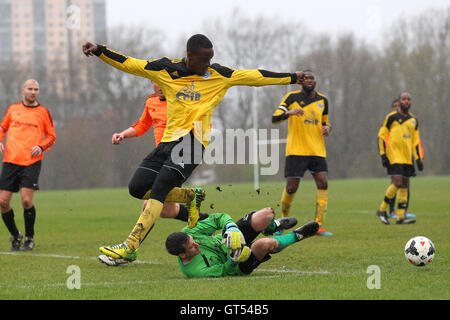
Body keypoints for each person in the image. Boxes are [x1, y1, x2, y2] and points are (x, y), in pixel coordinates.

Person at [82, 34, 306, 263]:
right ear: (189, 56)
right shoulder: (166, 69)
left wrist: (292, 77)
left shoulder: (219, 75)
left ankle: (130, 246)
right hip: (168, 142)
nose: (208, 64)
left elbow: (256, 76)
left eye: (211, 59)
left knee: (158, 191)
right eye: (204, 60)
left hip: (193, 143)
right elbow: (130, 63)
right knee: (137, 188)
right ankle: (190, 197)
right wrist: (100, 50)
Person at [99, 81, 208, 265]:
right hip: (161, 155)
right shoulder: (151, 101)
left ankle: (130, 250)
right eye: (154, 83)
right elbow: (142, 125)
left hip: (180, 154)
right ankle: (203, 214)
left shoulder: (183, 99)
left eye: (162, 83)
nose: (158, 87)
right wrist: (123, 134)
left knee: (153, 202)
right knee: (166, 208)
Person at [165, 207, 318, 278]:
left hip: (229, 239)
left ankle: (272, 226)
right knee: (263, 245)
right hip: (237, 264)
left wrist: (231, 227)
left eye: (194, 241)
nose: (196, 244)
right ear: (182, 255)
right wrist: (233, 260)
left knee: (266, 214)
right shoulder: (195, 271)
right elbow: (225, 272)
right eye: (192, 246)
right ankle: (298, 235)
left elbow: (218, 218)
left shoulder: (189, 231)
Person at [272, 70, 332, 236]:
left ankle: (318, 225)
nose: (309, 80)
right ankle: (283, 222)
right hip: (296, 150)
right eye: (305, 78)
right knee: (291, 187)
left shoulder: (323, 100)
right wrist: (289, 113)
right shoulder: (291, 98)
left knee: (323, 183)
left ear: (315, 80)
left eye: (311, 77)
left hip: (317, 150)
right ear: (301, 81)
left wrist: (328, 128)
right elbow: (274, 118)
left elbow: (326, 122)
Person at [0, 79, 56, 251]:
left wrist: (41, 147)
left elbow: (51, 136)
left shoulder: (43, 112)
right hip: (10, 161)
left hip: (31, 162)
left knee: (25, 201)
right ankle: (16, 235)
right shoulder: (13, 109)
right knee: (2, 202)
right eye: (30, 89)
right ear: (22, 90)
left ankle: (29, 238)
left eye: (36, 89)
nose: (33, 92)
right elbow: (2, 128)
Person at [377, 92, 423, 225]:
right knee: (397, 182)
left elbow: (415, 141)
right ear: (400, 101)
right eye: (404, 99)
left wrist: (418, 158)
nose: (406, 101)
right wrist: (383, 154)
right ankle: (382, 209)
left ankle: (401, 217)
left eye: (408, 99)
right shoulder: (391, 117)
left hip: (407, 158)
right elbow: (381, 136)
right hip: (394, 155)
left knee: (405, 185)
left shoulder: (413, 120)